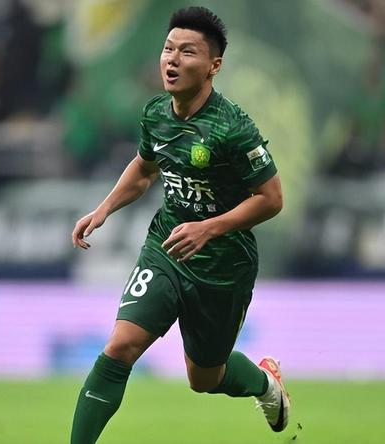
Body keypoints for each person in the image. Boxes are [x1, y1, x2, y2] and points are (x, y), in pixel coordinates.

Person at [70, 7, 288, 443]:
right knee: (120, 346)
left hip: (223, 263)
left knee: (204, 377)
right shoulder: (156, 113)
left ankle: (266, 384)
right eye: (168, 49)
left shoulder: (233, 128)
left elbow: (272, 199)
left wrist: (209, 228)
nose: (172, 59)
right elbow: (145, 167)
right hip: (166, 247)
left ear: (213, 66)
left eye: (187, 52)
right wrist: (105, 208)